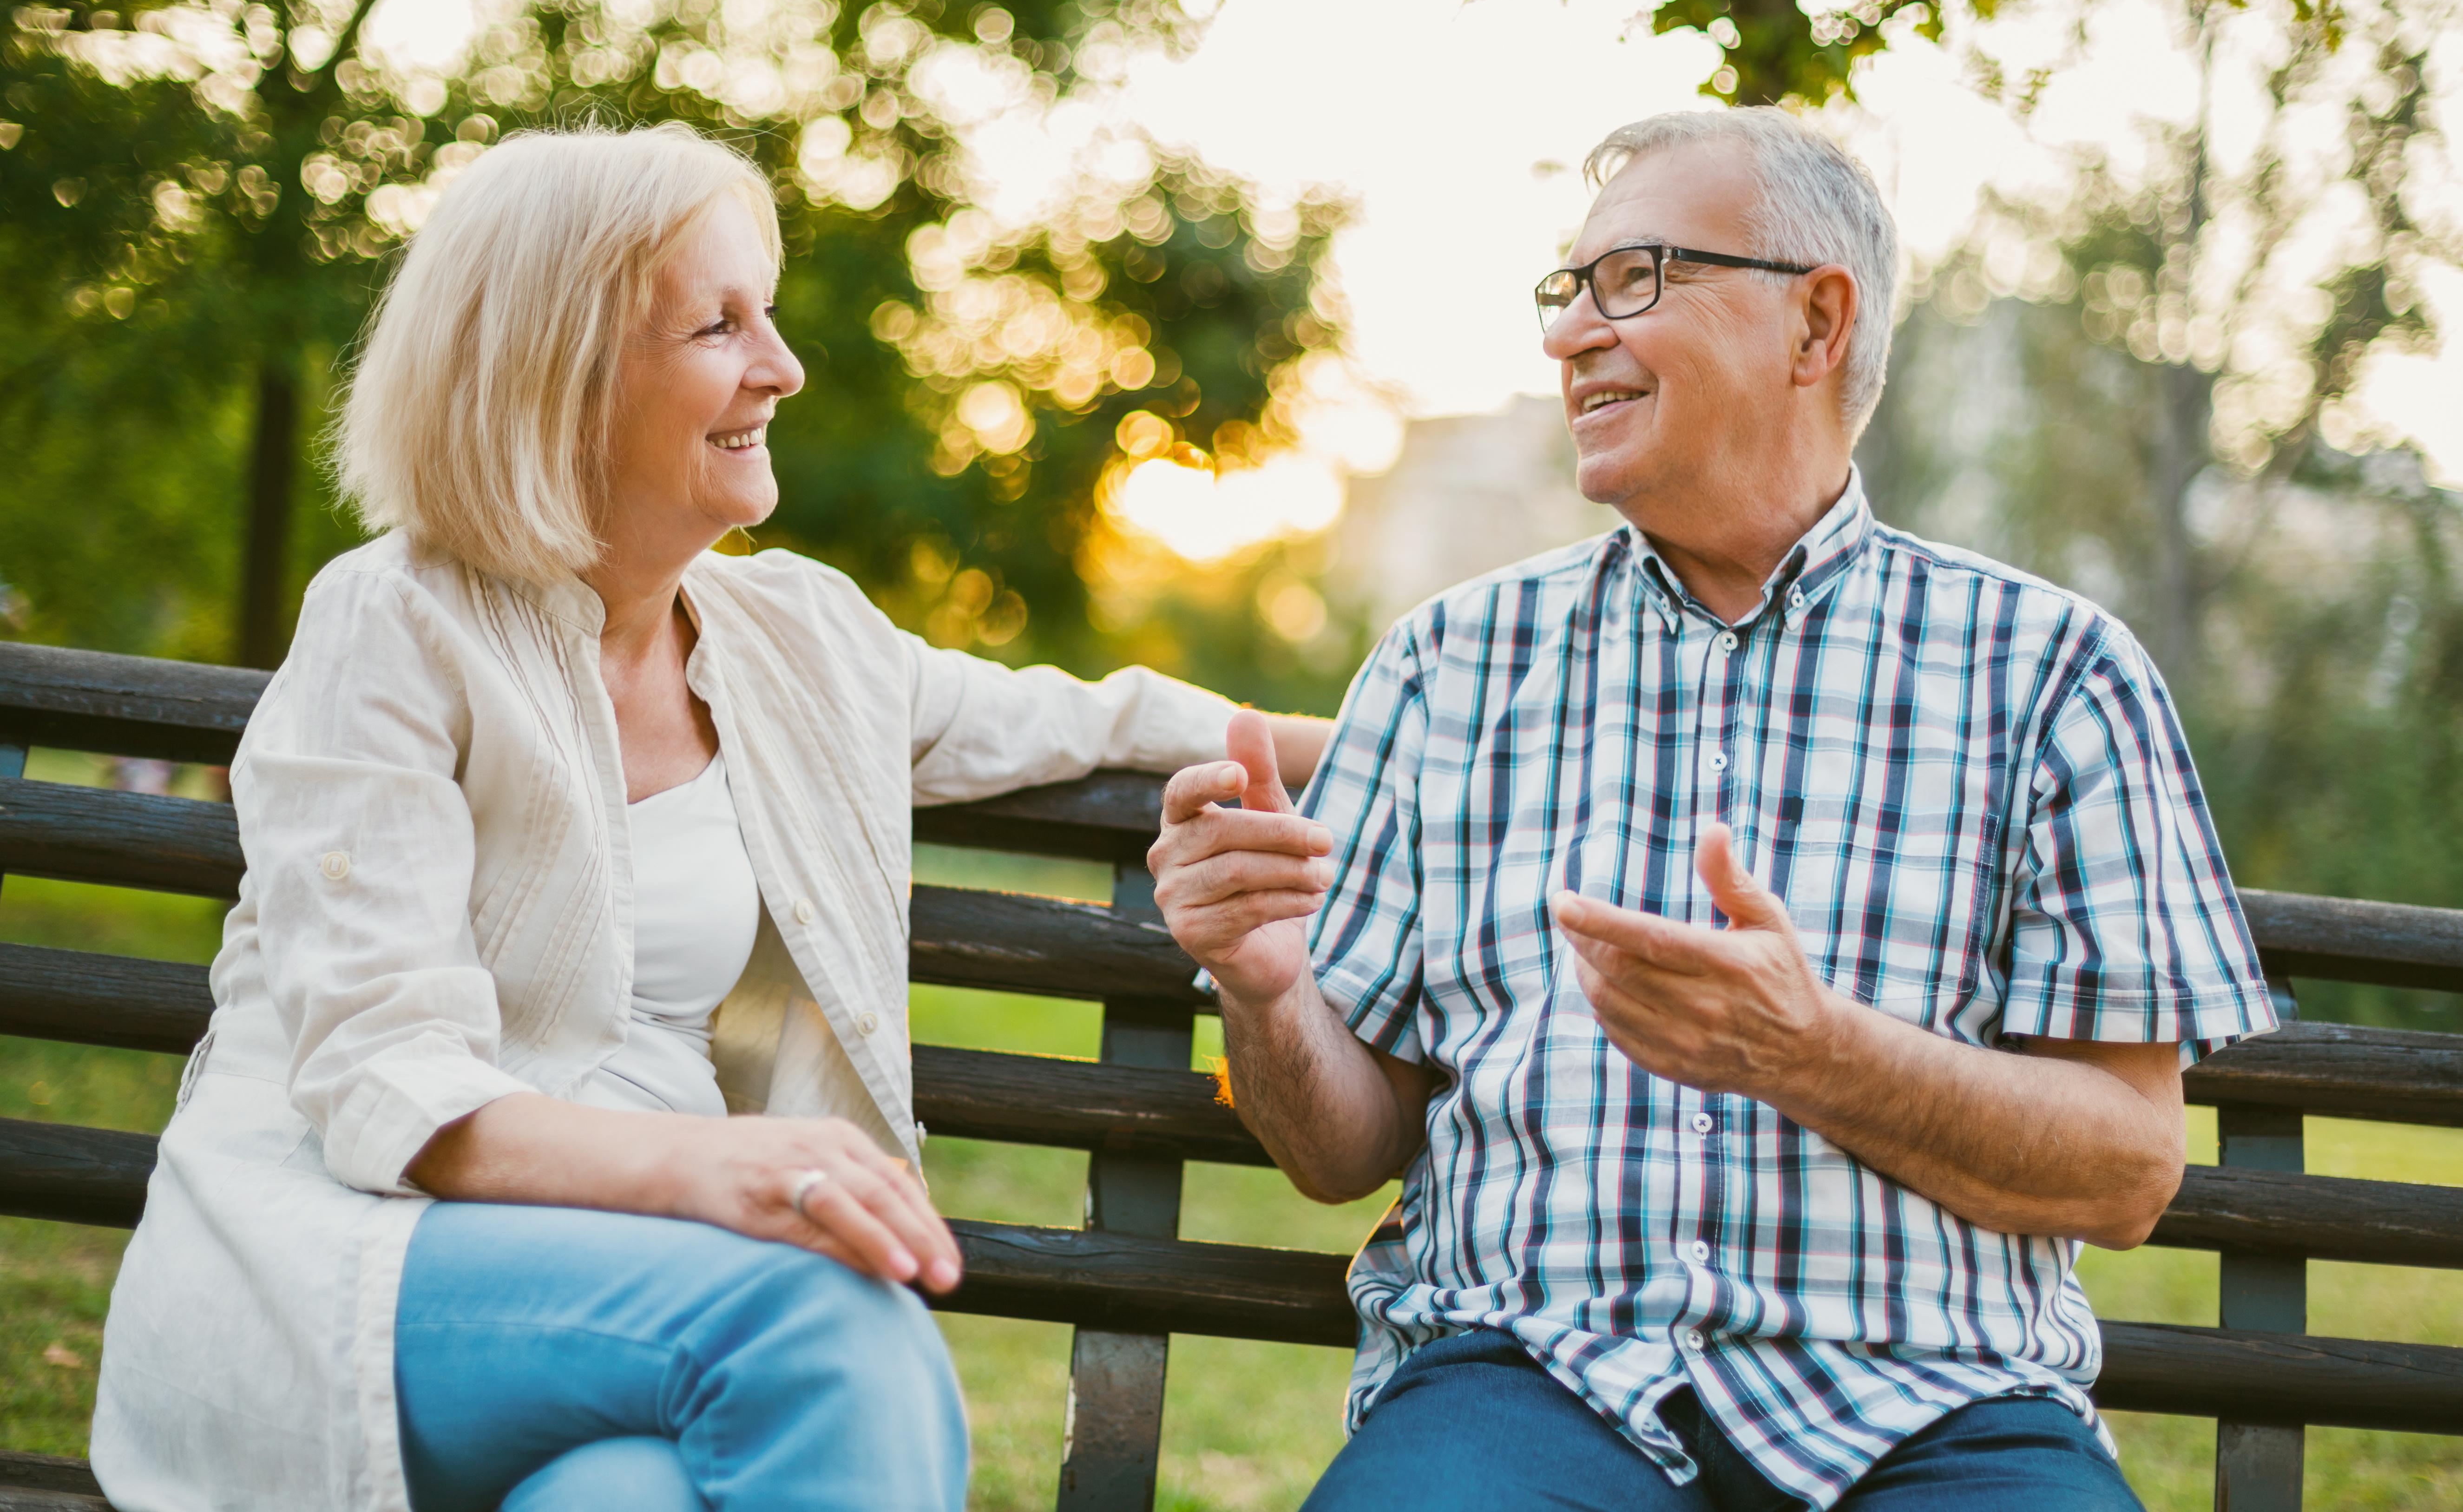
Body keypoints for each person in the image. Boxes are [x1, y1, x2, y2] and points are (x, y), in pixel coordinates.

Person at [92, 122, 1327, 1512]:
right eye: (717, 325)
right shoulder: (395, 626)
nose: (782, 366)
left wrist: (1394, 740)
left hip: (649, 1321)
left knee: (628, 1499)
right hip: (367, 1263)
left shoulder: (794, 634)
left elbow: (1078, 719)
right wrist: (721, 1171)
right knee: (823, 1326)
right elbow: (390, 1080)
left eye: (770, 314)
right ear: (558, 374)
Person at [1146, 107, 2277, 1512]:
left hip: (1940, 1406)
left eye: (1637, 280)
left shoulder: (2053, 675)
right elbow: (1343, 1152)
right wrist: (1266, 989)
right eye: (1567, 292)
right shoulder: (1450, 666)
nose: (1569, 338)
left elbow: (2126, 1171)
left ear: (1816, 325)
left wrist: (1817, 1055)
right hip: (1529, 1379)